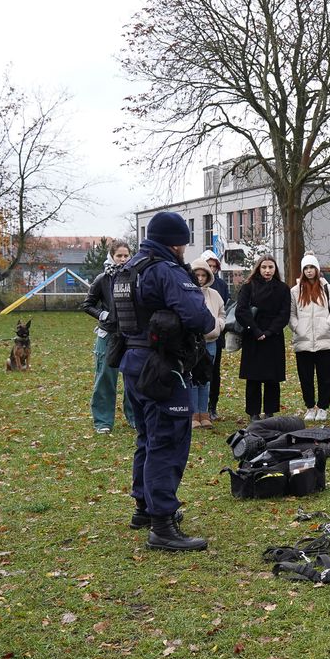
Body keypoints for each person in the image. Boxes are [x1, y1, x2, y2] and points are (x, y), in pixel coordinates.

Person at [115, 211, 215, 551]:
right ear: (176, 242)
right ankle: (162, 525)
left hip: (133, 362)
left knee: (147, 437)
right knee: (168, 441)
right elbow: (197, 316)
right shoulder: (165, 269)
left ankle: (144, 508)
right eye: (184, 242)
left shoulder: (129, 269)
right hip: (162, 366)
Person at [81, 239, 136, 434]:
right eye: (118, 255)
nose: (122, 259)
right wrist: (102, 314)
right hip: (108, 334)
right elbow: (87, 304)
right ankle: (103, 421)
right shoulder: (102, 279)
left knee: (133, 377)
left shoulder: (135, 277)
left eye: (125, 255)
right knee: (105, 376)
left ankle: (134, 417)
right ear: (112, 257)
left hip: (131, 334)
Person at [290, 251, 330, 422]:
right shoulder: (295, 291)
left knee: (325, 377)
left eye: (312, 267)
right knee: (305, 377)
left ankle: (323, 407)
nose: (309, 271)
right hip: (303, 341)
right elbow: (291, 314)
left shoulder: (328, 289)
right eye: (306, 268)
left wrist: (327, 324)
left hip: (324, 340)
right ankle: (310, 406)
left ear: (317, 269)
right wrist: (297, 328)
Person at [236, 255, 291, 421]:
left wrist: (268, 332)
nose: (267, 271)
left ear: (275, 269)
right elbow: (241, 310)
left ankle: (270, 411)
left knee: (271, 377)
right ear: (258, 268)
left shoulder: (282, 288)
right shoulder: (248, 287)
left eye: (271, 267)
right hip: (252, 335)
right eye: (264, 267)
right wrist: (256, 330)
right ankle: (253, 412)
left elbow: (284, 314)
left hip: (273, 337)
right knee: (253, 377)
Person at [189, 258, 226, 428]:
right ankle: (193, 413)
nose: (201, 278)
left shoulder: (214, 294)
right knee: (192, 378)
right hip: (192, 342)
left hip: (210, 340)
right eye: (197, 275)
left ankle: (204, 412)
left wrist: (218, 325)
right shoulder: (186, 293)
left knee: (206, 377)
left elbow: (222, 313)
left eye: (204, 275)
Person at [199, 249, 230, 421]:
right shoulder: (195, 283)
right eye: (208, 266)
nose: (211, 269)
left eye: (214, 266)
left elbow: (223, 309)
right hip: (198, 337)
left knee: (214, 371)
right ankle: (198, 409)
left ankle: (212, 406)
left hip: (215, 336)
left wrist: (219, 325)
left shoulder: (221, 286)